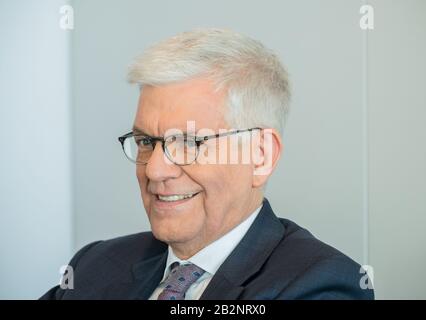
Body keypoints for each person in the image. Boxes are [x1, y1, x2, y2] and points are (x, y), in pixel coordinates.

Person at [41, 28, 374, 300]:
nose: (155, 171)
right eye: (146, 142)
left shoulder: (321, 284)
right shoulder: (93, 265)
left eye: (188, 143)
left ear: (260, 155)